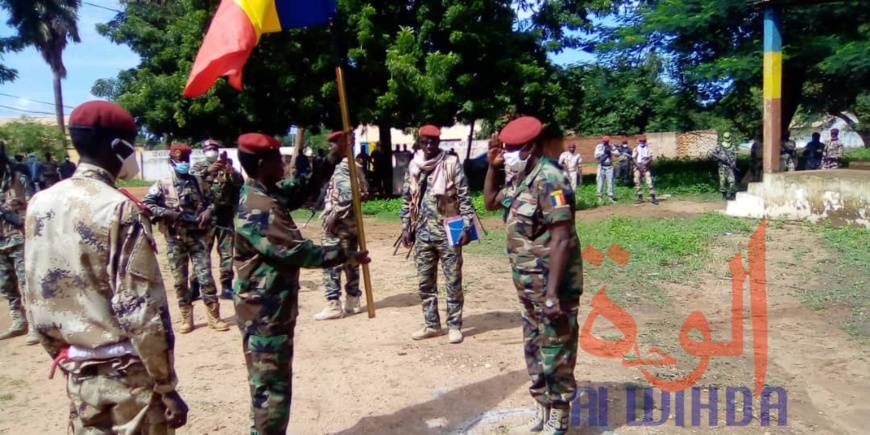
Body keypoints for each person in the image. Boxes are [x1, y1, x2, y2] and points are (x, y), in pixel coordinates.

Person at [23, 101, 188, 433]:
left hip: (79, 371)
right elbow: (140, 310)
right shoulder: (119, 209)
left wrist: (63, 352)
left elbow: (35, 293)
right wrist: (166, 385)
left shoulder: (40, 203)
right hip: (130, 378)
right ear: (118, 147)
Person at [233, 132, 370, 434]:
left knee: (270, 386)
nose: (283, 163)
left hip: (272, 310)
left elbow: (302, 187)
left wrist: (335, 154)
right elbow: (297, 251)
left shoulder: (265, 191)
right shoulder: (258, 206)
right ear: (260, 163)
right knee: (272, 393)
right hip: (264, 316)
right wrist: (345, 254)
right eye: (275, 158)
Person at [482, 116, 583, 435]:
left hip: (552, 286)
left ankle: (559, 413)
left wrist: (553, 292)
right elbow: (488, 202)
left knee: (556, 348)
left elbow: (562, 236)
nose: (506, 153)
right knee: (534, 347)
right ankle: (542, 405)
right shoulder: (521, 177)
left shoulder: (550, 179)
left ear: (529, 148)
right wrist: (493, 167)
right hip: (528, 285)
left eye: (510, 149)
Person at [400, 124, 475, 344]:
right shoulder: (414, 165)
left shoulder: (451, 164)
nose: (429, 145)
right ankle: (432, 324)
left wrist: (466, 227)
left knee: (453, 281)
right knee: (425, 282)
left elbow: (464, 198)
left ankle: (454, 326)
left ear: (439, 142)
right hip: (422, 232)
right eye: (425, 141)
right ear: (420, 142)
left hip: (449, 228)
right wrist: (406, 227)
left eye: (433, 141)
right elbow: (407, 199)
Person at [142, 143, 229, 334]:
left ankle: (214, 317)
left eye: (186, 161)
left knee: (205, 277)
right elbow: (146, 204)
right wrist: (167, 213)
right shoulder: (163, 183)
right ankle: (185, 317)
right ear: (171, 161)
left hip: (198, 237)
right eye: (179, 161)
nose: (183, 164)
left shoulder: (198, 181)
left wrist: (208, 211)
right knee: (179, 281)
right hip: (175, 239)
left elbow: (213, 201)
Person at [314, 131, 369, 320]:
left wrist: (334, 214)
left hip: (339, 223)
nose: (331, 149)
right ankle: (353, 300)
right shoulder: (352, 165)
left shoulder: (342, 166)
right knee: (351, 260)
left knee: (331, 260)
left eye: (333, 145)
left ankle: (333, 304)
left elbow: (347, 194)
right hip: (351, 222)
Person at [191, 139, 244, 301]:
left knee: (226, 252)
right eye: (208, 149)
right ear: (203, 151)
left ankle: (226, 285)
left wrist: (231, 172)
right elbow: (191, 183)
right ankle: (195, 285)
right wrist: (208, 172)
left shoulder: (227, 167)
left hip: (224, 216)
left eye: (214, 149)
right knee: (202, 252)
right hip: (205, 217)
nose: (211, 151)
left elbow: (239, 183)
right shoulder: (199, 167)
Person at [0, 141, 37, 344]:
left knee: (26, 283)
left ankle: (33, 324)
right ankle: (18, 321)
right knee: (6, 286)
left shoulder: (18, 179)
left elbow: (33, 205)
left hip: (19, 239)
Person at [711, 132, 738, 200]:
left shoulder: (733, 146)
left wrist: (734, 162)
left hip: (730, 167)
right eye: (726, 137)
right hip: (722, 167)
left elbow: (735, 156)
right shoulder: (719, 146)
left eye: (728, 137)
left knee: (732, 181)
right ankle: (724, 195)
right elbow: (713, 154)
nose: (728, 139)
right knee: (722, 181)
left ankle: (732, 195)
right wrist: (719, 157)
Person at [632, 135, 658, 205]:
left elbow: (650, 158)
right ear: (639, 141)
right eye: (641, 141)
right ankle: (640, 198)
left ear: (645, 141)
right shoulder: (636, 149)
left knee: (649, 182)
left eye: (643, 141)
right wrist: (638, 165)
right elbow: (634, 158)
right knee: (637, 182)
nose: (642, 142)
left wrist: (645, 164)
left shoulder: (648, 149)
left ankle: (653, 197)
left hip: (646, 168)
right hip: (637, 167)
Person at [593, 136, 616, 202]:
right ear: (602, 141)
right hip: (601, 166)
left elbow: (617, 153)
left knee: (610, 181)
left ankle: (610, 197)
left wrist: (611, 151)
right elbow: (596, 155)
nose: (606, 142)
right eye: (605, 141)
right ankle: (599, 197)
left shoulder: (611, 146)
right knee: (600, 181)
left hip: (609, 166)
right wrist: (604, 152)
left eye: (607, 141)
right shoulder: (599, 146)